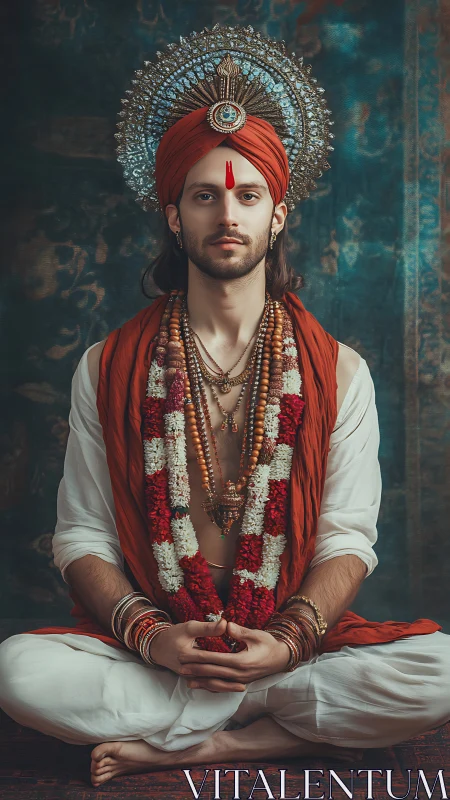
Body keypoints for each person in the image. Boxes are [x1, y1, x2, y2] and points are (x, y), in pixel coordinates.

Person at [0, 25, 449, 790]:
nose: (227, 215)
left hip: (287, 646)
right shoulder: (106, 365)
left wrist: (287, 641)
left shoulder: (341, 370)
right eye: (204, 196)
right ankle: (269, 727)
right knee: (18, 671)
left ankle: (218, 740)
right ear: (173, 214)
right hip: (165, 647)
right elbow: (80, 539)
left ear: (279, 214)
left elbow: (347, 538)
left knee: (439, 672)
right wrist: (153, 641)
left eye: (248, 196)